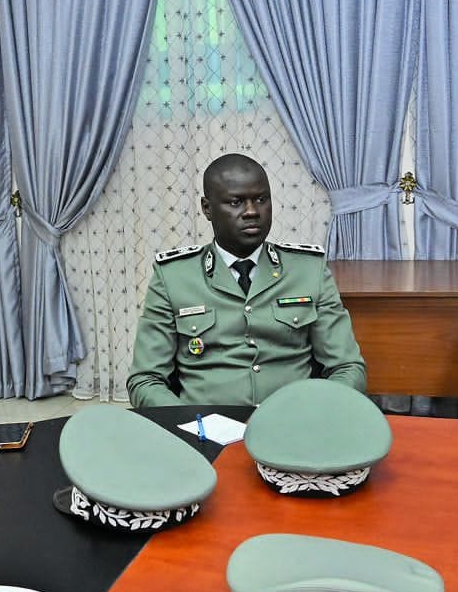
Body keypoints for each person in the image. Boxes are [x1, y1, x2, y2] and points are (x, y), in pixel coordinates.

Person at [127, 154, 367, 406]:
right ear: (207, 208)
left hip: (293, 425)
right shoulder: (174, 276)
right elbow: (145, 380)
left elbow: (347, 367)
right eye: (236, 202)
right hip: (206, 430)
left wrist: (317, 412)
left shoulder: (307, 269)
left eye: (261, 200)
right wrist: (192, 423)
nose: (252, 212)